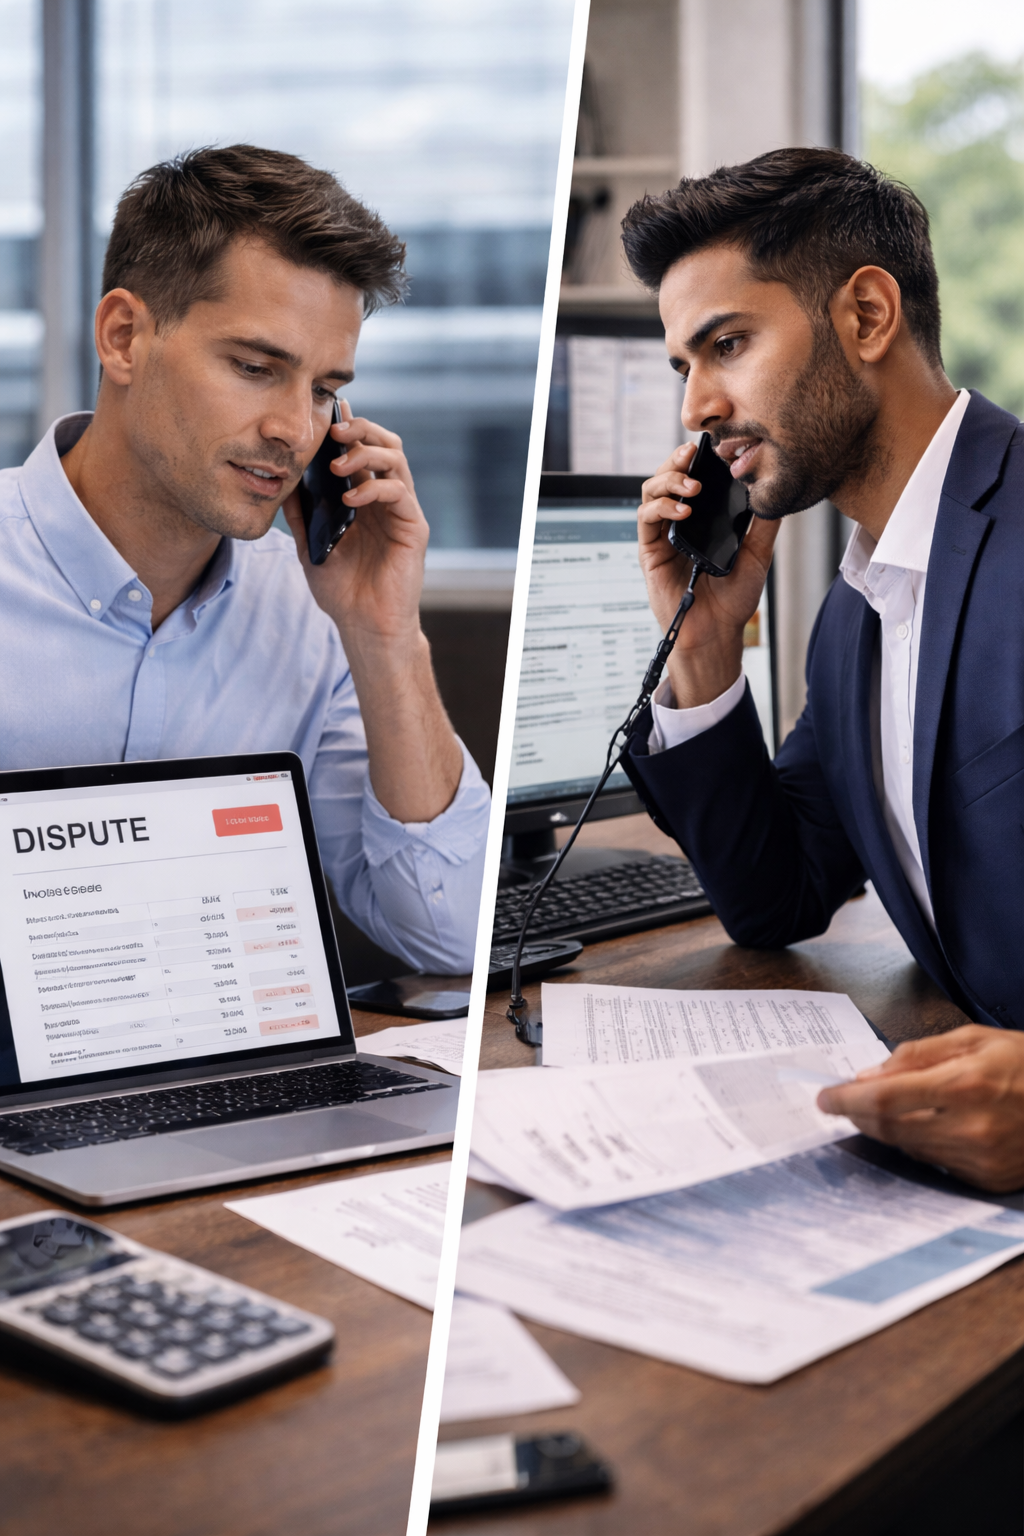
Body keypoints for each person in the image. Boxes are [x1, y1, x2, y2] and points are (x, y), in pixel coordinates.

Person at [618, 147, 1024, 1192]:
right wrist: (706, 645)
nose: (696, 408)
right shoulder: (856, 611)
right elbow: (778, 897)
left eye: (728, 344)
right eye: (684, 366)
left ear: (866, 317)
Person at [0, 145, 489, 974]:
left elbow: (451, 936)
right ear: (124, 337)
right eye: (256, 368)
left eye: (325, 388)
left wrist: (384, 635)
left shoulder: (310, 604)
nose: (296, 431)